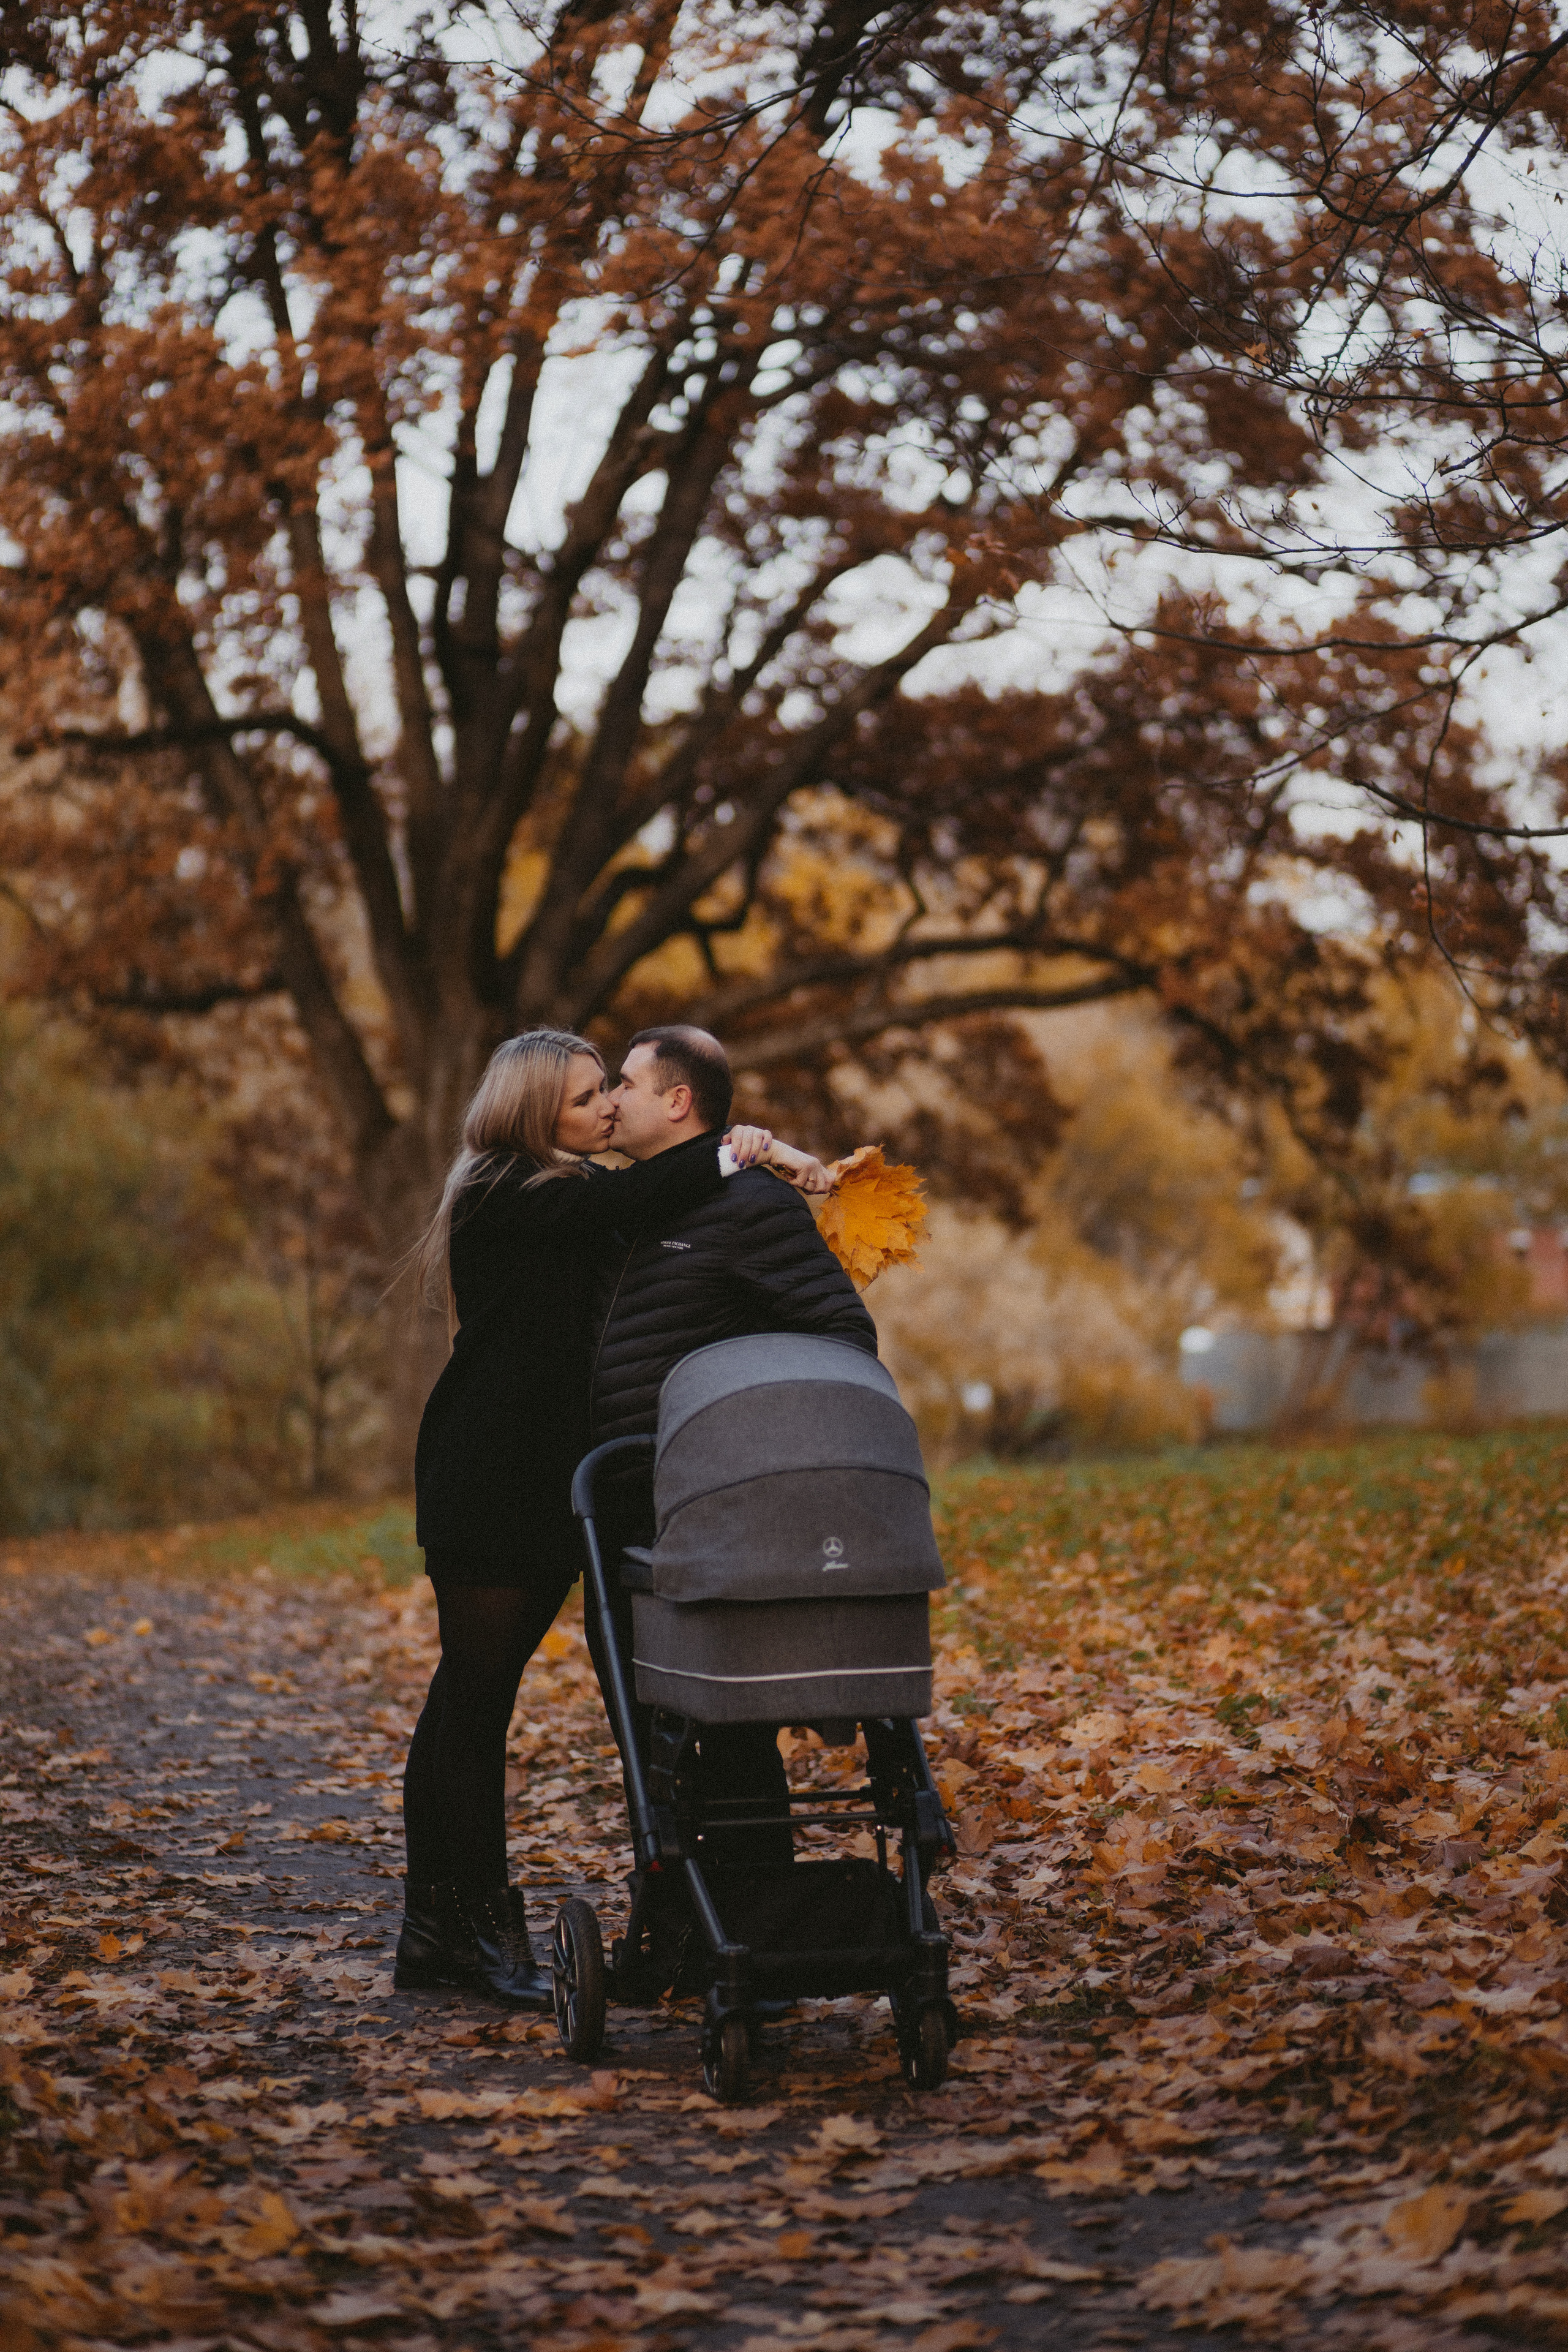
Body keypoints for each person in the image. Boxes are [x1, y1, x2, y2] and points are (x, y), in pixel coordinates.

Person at [396, 1028, 828, 2006]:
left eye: (611, 1090)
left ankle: (442, 1927)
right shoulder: (516, 1187)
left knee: (465, 1701)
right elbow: (642, 1192)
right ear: (534, 1108)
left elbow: (646, 1212)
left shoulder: (559, 1195)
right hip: (493, 1472)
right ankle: (463, 1929)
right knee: (473, 1702)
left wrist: (754, 1152)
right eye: (588, 1095)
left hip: (551, 1480)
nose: (603, 1109)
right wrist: (753, 1148)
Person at [586, 1024, 877, 1864]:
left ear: (677, 1101)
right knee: (645, 1736)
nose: (610, 1099)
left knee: (725, 1719)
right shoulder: (622, 1206)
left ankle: (751, 1917)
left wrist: (740, 1441)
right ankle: (681, 1916)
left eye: (626, 1085)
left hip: (709, 1508)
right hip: (618, 1505)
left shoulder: (753, 1205)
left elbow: (841, 1340)